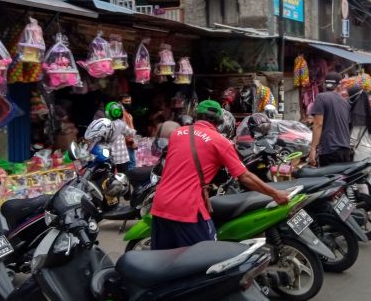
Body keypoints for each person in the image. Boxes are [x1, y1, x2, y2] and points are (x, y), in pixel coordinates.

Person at [150, 101, 289, 250]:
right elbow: (244, 177)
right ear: (219, 121)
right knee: (208, 258)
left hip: (160, 204)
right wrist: (275, 194)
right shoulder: (220, 141)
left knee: (166, 260)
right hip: (187, 208)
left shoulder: (177, 134)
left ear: (196, 116)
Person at [308, 72, 351, 167]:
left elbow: (318, 124)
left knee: (329, 180)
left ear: (324, 84)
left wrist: (313, 149)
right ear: (339, 86)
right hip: (345, 150)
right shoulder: (345, 102)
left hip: (330, 149)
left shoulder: (321, 97)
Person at [104, 101, 136, 173]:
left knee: (110, 177)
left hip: (111, 158)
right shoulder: (121, 124)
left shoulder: (106, 125)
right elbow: (132, 133)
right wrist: (130, 121)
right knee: (124, 177)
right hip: (122, 158)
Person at [348, 85, 371, 161]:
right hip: (369, 147)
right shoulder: (367, 112)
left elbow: (353, 138)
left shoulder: (357, 114)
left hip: (360, 152)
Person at [119, 94, 137, 170]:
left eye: (129, 101)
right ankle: (130, 181)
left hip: (125, 143)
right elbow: (123, 130)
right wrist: (132, 142)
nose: (128, 103)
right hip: (126, 144)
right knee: (131, 164)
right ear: (120, 102)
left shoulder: (126, 114)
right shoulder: (122, 114)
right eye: (126, 101)